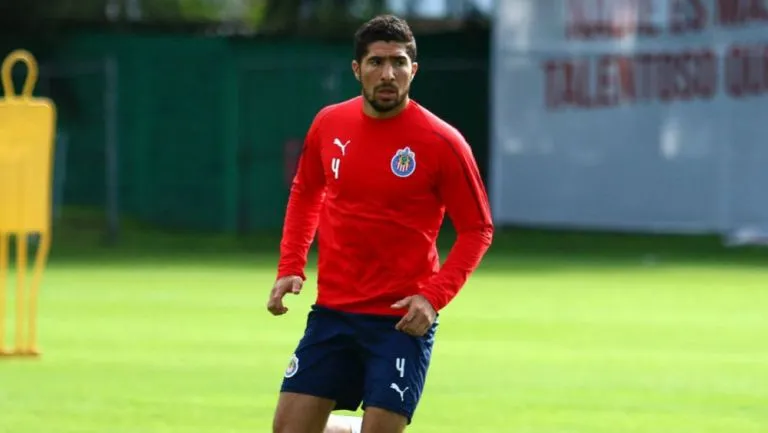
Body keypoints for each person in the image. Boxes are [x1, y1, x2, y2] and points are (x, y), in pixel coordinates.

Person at [267, 14, 493, 433]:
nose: (388, 74)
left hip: (399, 320)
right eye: (376, 62)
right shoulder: (329, 123)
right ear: (357, 69)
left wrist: (433, 298)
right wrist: (290, 265)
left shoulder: (442, 142)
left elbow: (478, 229)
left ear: (414, 70)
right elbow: (306, 191)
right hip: (334, 312)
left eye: (398, 62)